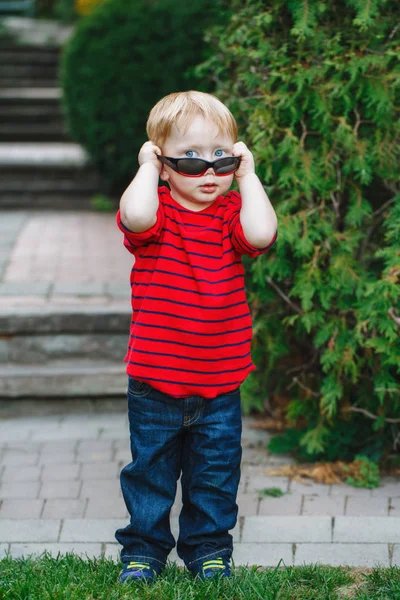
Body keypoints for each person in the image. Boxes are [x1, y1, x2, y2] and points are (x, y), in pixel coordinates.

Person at [115, 90, 278, 583]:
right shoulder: (158, 213)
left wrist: (248, 178)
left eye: (221, 157)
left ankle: (209, 550)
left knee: (214, 476)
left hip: (220, 382)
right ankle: (144, 551)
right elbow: (135, 217)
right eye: (188, 159)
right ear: (164, 165)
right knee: (150, 474)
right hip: (155, 383)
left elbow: (263, 233)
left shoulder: (231, 216)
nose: (208, 171)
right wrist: (148, 168)